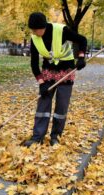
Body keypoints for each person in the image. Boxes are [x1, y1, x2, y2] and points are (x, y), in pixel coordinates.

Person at [23, 12, 87, 147]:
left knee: (61, 106)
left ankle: (55, 136)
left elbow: (82, 40)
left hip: (66, 72)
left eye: (35, 30)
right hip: (48, 73)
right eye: (32, 30)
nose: (34, 33)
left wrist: (81, 57)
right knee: (43, 104)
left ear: (43, 26)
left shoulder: (61, 30)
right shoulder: (34, 39)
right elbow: (34, 63)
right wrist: (41, 83)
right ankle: (37, 137)